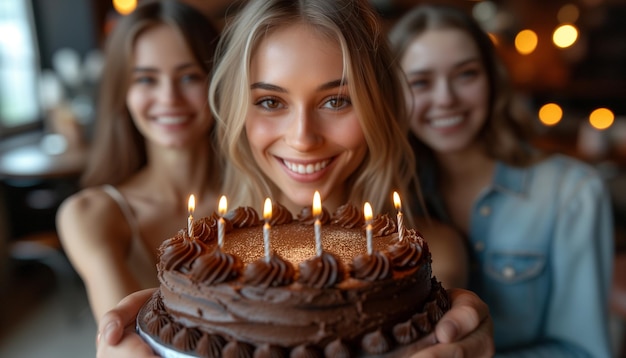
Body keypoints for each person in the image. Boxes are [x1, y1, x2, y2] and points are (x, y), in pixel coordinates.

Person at [95, 0, 495, 357]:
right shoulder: (201, 253)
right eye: (270, 102)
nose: (303, 138)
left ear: (378, 107)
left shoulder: (428, 256)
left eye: (336, 100)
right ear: (236, 111)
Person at [389, 4, 614, 357]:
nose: (446, 98)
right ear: (395, 95)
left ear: (492, 80)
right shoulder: (391, 197)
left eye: (466, 75)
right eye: (420, 81)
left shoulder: (573, 191)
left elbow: (584, 350)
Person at [56, 0, 222, 322]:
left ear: (217, 82)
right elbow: (127, 341)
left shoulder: (262, 197)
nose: (168, 98)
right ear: (123, 92)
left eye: (189, 77)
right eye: (146, 79)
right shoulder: (93, 215)